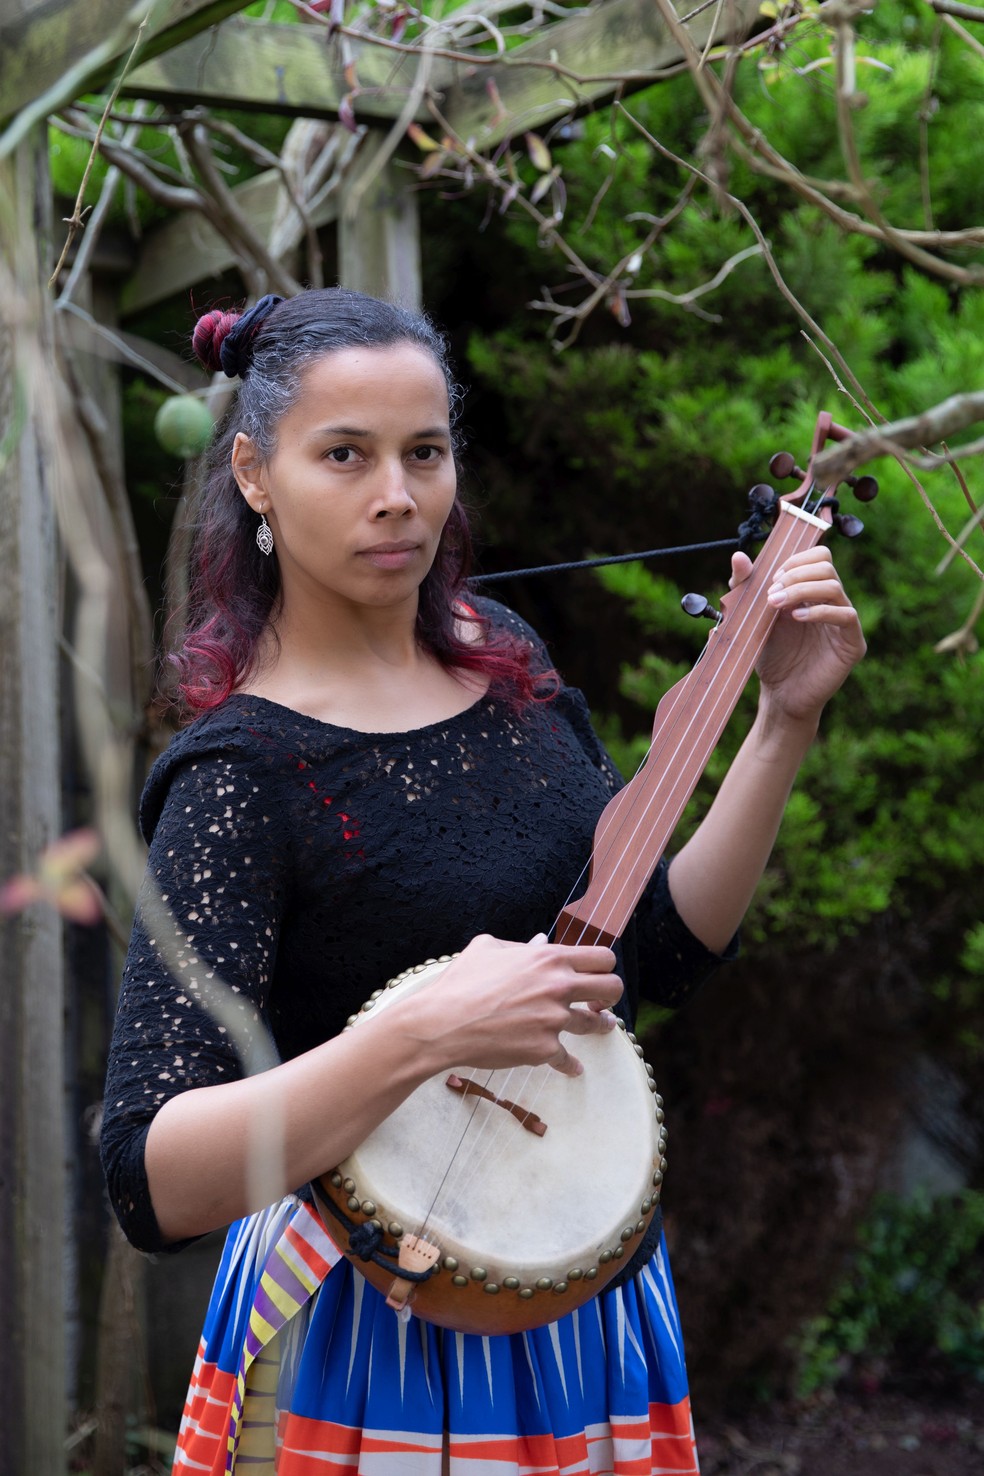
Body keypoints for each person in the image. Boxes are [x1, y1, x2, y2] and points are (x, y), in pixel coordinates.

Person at [100, 287, 866, 1476]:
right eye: (344, 455)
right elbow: (152, 1176)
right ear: (253, 472)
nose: (396, 496)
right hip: (367, 1333)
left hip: (585, 1302)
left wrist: (780, 725)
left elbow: (652, 952)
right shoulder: (239, 775)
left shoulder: (508, 662)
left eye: (425, 452)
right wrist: (416, 1034)